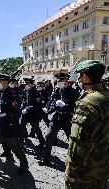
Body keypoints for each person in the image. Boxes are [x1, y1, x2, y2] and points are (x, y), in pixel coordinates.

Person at [64, 60, 109, 189]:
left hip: (86, 170)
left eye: (79, 75)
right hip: (103, 164)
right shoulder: (106, 94)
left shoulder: (87, 102)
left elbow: (78, 142)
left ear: (84, 77)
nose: (78, 78)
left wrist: (71, 169)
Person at [39, 73, 80, 166]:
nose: (59, 82)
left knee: (72, 140)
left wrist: (66, 105)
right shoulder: (58, 90)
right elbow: (53, 102)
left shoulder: (73, 92)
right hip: (57, 117)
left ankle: (74, 162)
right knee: (49, 136)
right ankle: (46, 159)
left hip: (67, 118)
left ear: (66, 81)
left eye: (61, 80)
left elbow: (76, 106)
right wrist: (48, 109)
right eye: (58, 80)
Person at [20, 76, 45, 149]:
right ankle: (21, 144)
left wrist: (27, 109)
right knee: (21, 126)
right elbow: (24, 101)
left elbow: (37, 105)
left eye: (28, 84)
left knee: (36, 128)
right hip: (26, 114)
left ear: (32, 84)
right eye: (26, 84)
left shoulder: (36, 93)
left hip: (34, 114)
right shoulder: (26, 92)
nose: (27, 85)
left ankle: (42, 141)